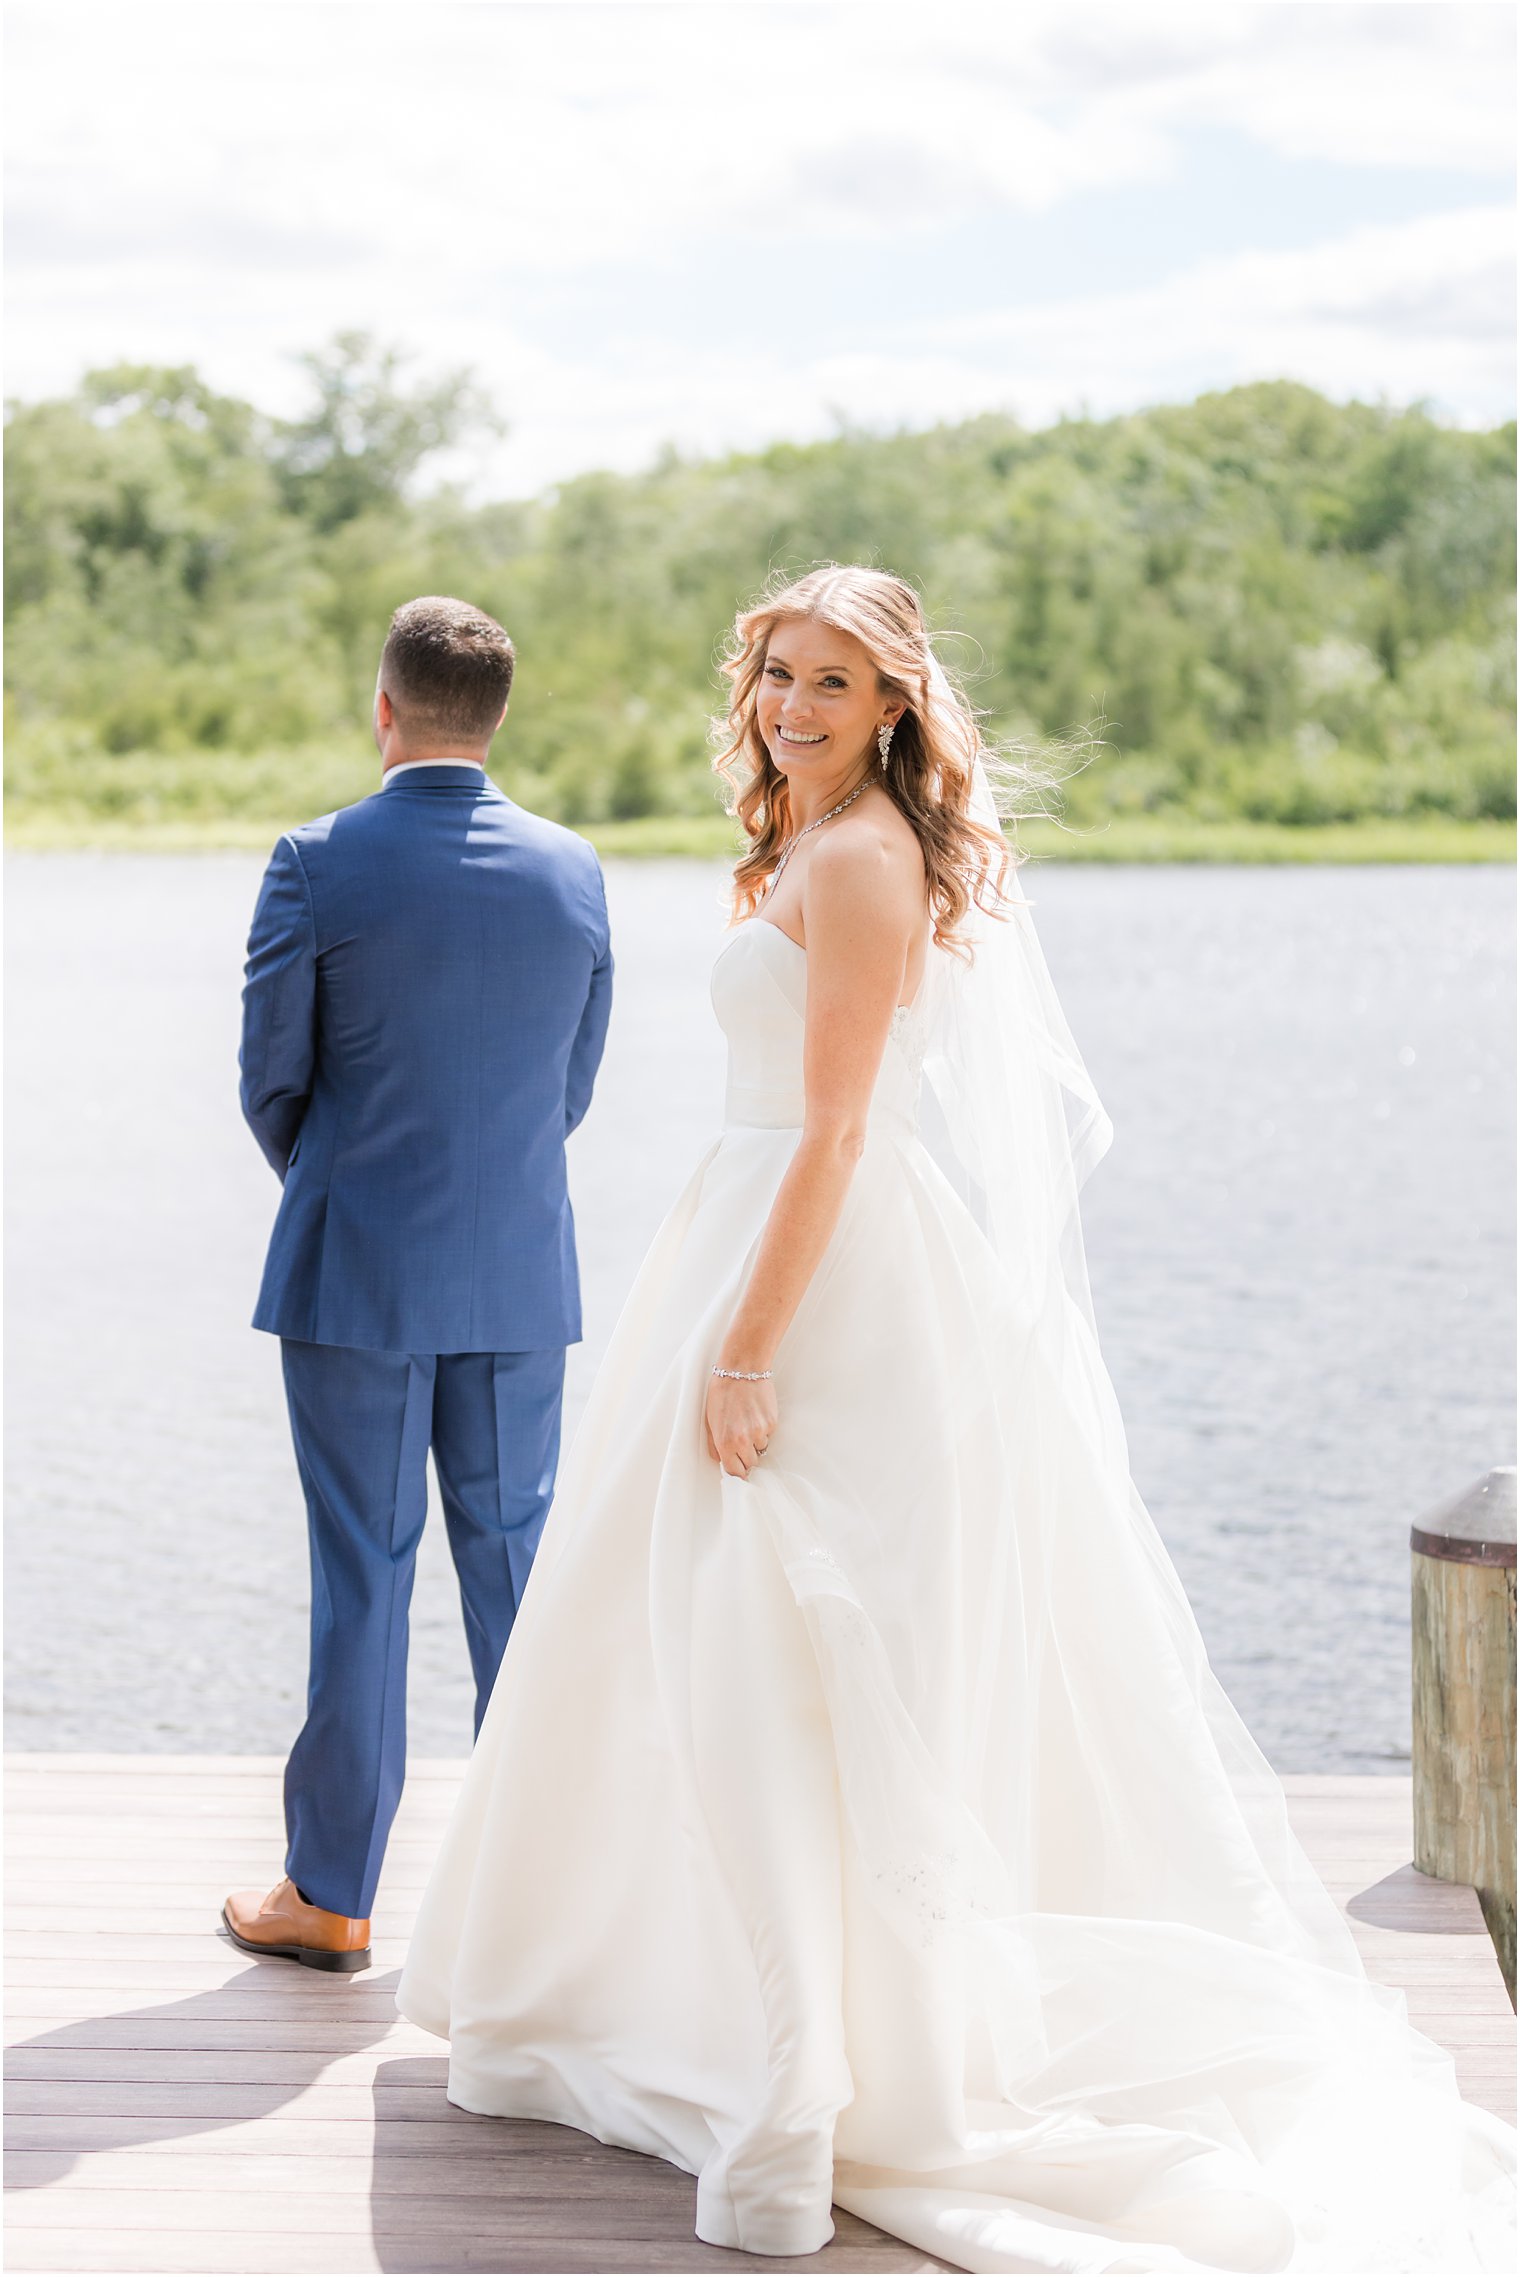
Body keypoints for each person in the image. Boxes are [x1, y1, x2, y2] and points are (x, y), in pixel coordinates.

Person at [396, 567, 1514, 2271]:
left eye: (835, 682)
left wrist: (750, 1345)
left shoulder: (859, 859)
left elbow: (838, 1129)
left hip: (817, 1287)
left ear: (897, 704)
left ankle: (804, 2077)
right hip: (750, 1242)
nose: (795, 705)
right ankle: (713, 2015)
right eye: (779, 673)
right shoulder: (807, 839)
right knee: (703, 1647)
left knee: (771, 1656)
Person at [225, 595, 613, 1974]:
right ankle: (542, 1905)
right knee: (518, 1576)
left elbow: (273, 1077)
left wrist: (348, 1183)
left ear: (382, 707)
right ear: (497, 718)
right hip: (516, 1275)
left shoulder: (316, 859)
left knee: (363, 1576)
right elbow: (568, 1087)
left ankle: (332, 1892)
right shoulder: (574, 870)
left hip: (356, 1274)